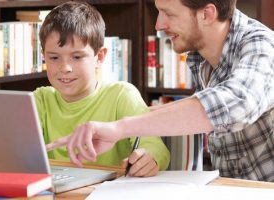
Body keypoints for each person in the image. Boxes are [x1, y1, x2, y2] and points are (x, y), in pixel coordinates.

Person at [47, 0, 274, 182]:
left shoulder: (261, 45)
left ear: (207, 14)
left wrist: (121, 128)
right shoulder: (201, 58)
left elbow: (238, 103)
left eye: (169, 13)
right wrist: (124, 127)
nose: (158, 25)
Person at [34, 1, 170, 177]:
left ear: (99, 57)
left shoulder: (121, 95)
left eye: (76, 57)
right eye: (54, 57)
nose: (65, 67)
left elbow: (156, 147)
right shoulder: (40, 100)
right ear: (43, 56)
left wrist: (149, 157)